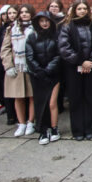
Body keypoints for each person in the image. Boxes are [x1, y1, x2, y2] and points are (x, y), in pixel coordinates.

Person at [59, 0, 92, 140]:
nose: (82, 11)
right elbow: (64, 48)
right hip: (74, 68)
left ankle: (90, 128)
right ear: (74, 10)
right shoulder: (67, 26)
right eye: (79, 9)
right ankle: (78, 130)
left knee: (91, 98)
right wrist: (80, 62)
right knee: (76, 99)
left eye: (85, 8)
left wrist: (91, 60)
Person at [25, 11, 62, 145]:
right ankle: (43, 130)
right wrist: (39, 71)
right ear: (37, 23)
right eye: (41, 21)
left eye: (47, 21)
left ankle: (54, 128)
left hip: (53, 74)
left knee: (52, 103)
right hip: (37, 76)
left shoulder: (56, 36)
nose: (44, 23)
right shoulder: (31, 37)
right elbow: (29, 56)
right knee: (41, 103)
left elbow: (59, 54)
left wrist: (49, 69)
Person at [0, 4, 36, 137]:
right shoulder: (12, 29)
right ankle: (21, 123)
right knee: (18, 96)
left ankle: (31, 122)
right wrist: (8, 65)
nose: (24, 14)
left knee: (32, 96)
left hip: (31, 66)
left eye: (27, 12)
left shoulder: (35, 28)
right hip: (17, 67)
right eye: (22, 12)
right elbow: (5, 49)